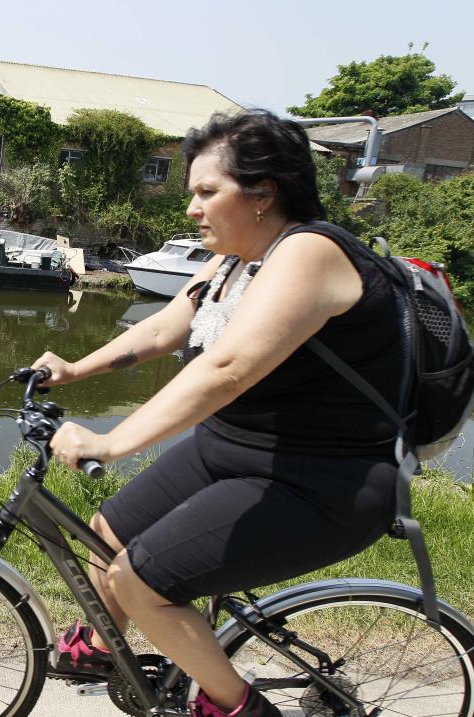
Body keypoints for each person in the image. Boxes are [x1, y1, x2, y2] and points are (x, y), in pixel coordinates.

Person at [32, 110, 400, 717]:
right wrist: (74, 369)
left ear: (263, 194)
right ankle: (103, 644)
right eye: (191, 193)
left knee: (137, 581)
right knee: (107, 534)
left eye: (207, 192)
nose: (191, 208)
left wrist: (111, 441)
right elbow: (162, 328)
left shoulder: (310, 253)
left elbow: (227, 369)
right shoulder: (233, 259)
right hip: (233, 450)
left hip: (321, 479)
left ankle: (236, 707)